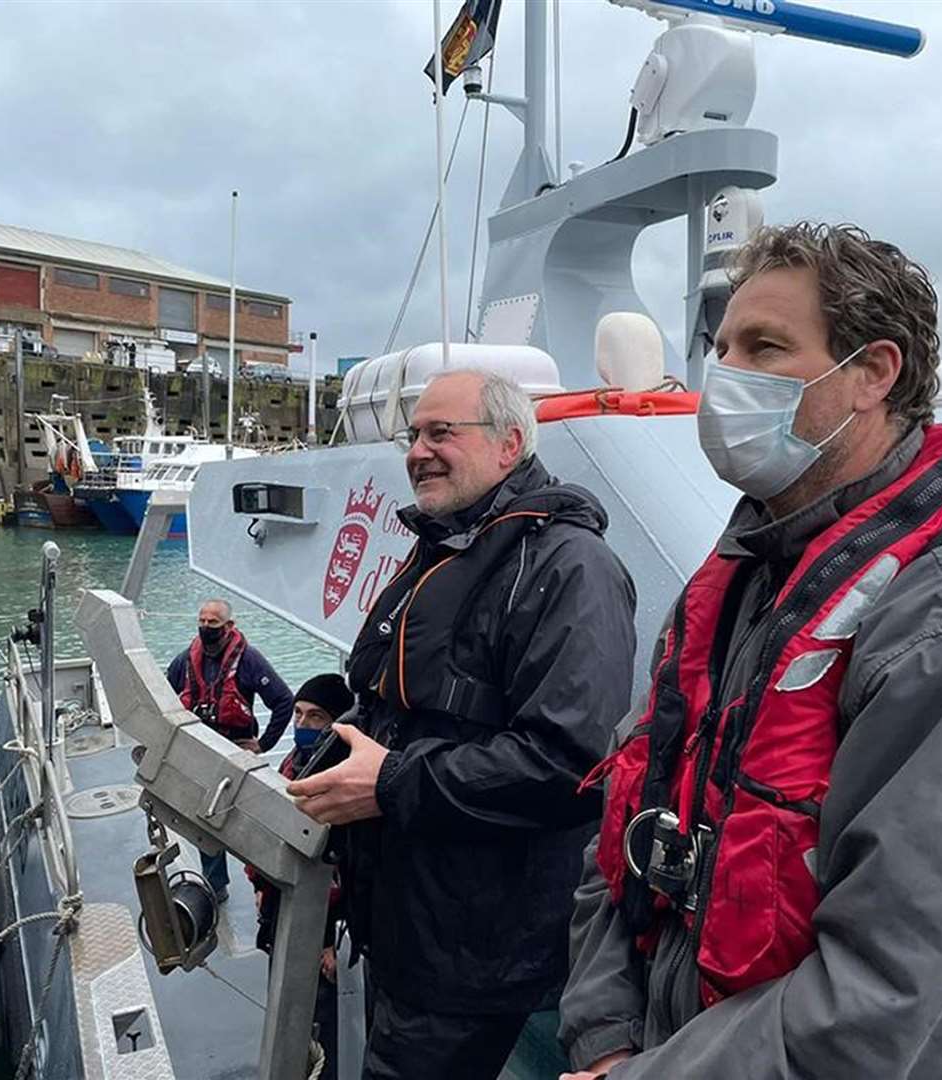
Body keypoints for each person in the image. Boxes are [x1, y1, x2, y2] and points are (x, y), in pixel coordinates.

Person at [559, 222, 942, 1080]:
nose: (725, 377)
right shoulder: (744, 585)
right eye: (722, 348)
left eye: (766, 347)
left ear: (873, 373)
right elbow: (629, 846)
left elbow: (903, 1008)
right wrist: (605, 1039)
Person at [286, 368, 638, 1080]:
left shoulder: (571, 569)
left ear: (510, 444)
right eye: (413, 434)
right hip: (401, 928)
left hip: (475, 955)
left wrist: (387, 784)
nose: (418, 450)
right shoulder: (444, 548)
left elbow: (571, 766)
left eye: (441, 431)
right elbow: (395, 704)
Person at [247, 672, 355, 1080]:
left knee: (322, 1026)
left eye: (316, 717)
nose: (303, 725)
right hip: (283, 910)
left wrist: (335, 945)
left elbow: (354, 871)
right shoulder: (295, 764)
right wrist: (263, 887)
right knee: (284, 1003)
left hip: (323, 930)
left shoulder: (345, 783)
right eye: (297, 714)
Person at [166, 598, 294, 901]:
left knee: (250, 818)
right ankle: (216, 884)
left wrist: (263, 745)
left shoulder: (249, 660)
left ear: (229, 626)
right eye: (203, 621)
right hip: (201, 751)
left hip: (237, 750)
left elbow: (284, 701)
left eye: (214, 622)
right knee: (204, 818)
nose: (206, 627)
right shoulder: (184, 660)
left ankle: (266, 883)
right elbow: (165, 701)